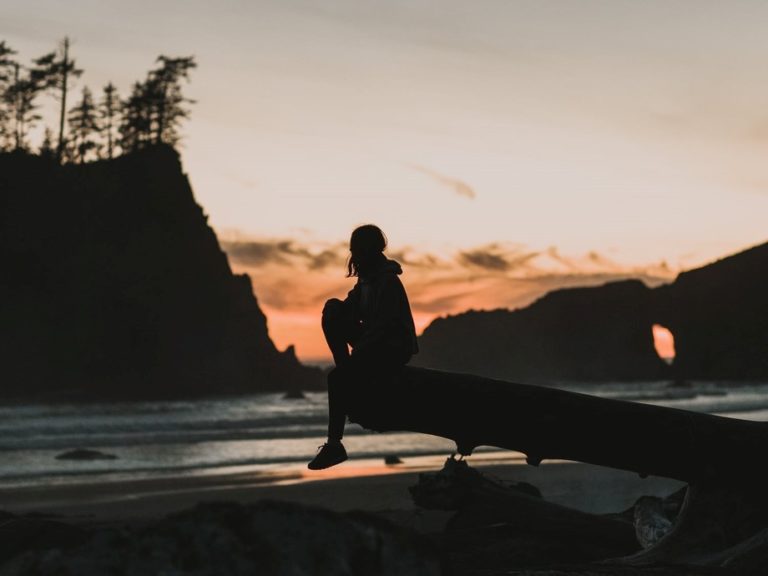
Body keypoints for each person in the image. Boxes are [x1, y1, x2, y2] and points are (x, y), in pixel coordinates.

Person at [308, 224, 418, 470]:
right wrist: (334, 310)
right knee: (333, 308)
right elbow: (348, 310)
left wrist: (359, 354)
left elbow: (384, 327)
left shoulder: (387, 282)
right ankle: (347, 372)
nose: (353, 256)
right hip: (374, 343)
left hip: (392, 348)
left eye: (356, 250)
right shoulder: (367, 282)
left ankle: (334, 444)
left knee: (337, 379)